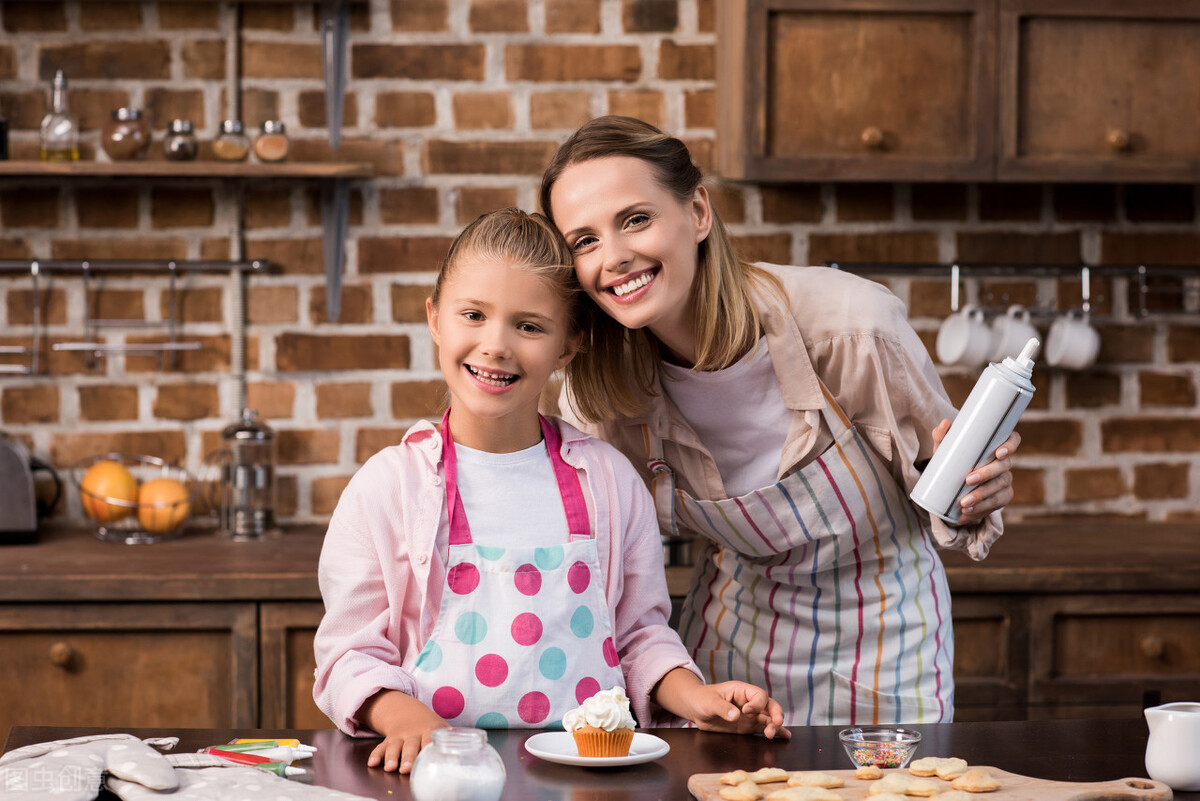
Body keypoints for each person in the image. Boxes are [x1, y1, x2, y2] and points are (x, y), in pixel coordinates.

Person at [539, 117, 1022, 726]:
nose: (614, 257)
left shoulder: (852, 326)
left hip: (889, 645)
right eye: (584, 241)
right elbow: (613, 572)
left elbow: (948, 488)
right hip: (728, 653)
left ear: (698, 212)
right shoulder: (602, 399)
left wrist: (973, 495)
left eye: (636, 219)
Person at [312, 207, 787, 775]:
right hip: (442, 776)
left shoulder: (609, 482)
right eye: (473, 314)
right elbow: (349, 655)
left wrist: (696, 697)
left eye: (529, 326)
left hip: (587, 782)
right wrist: (404, 718)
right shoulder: (387, 487)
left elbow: (638, 636)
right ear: (435, 319)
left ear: (568, 345)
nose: (496, 345)